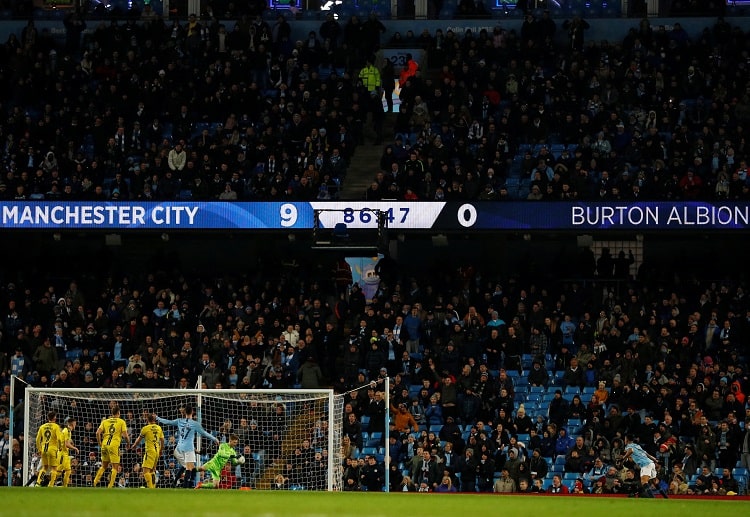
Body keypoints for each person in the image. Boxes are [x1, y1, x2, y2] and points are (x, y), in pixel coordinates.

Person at [157, 406, 220, 488]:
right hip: (188, 448)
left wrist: (158, 418)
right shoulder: (195, 424)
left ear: (185, 412)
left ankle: (176, 482)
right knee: (189, 468)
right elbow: (204, 433)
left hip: (179, 448)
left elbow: (167, 422)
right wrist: (214, 438)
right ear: (192, 412)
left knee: (188, 467)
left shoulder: (179, 421)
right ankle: (185, 487)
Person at [93, 404, 130, 488]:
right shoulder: (121, 422)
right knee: (115, 467)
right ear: (119, 413)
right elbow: (125, 435)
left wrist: (100, 443)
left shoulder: (105, 421)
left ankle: (95, 482)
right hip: (114, 445)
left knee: (104, 466)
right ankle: (110, 486)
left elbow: (97, 433)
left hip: (104, 445)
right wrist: (128, 443)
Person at [620, 434, 668, 498]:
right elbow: (646, 454)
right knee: (654, 482)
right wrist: (656, 460)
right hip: (651, 463)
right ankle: (666, 497)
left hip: (645, 464)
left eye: (625, 439)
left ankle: (652, 498)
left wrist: (622, 458)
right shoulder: (637, 446)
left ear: (627, 440)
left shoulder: (628, 446)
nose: (624, 440)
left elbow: (630, 451)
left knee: (644, 482)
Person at [130, 413, 165, 489]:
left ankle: (150, 487)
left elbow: (138, 440)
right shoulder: (159, 428)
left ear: (147, 420)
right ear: (154, 420)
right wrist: (161, 450)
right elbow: (162, 441)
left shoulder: (145, 428)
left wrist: (134, 446)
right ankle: (153, 487)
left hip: (150, 451)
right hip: (157, 451)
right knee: (152, 471)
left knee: (145, 472)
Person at [35, 410, 64, 487]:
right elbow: (59, 439)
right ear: (55, 418)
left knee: (44, 467)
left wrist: (39, 449)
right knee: (54, 468)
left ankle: (38, 483)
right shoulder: (56, 426)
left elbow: (37, 439)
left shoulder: (42, 426)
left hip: (44, 449)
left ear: (48, 418)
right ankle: (50, 485)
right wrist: (60, 447)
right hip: (52, 449)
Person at [58, 417, 80, 487]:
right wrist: (75, 448)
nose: (75, 425)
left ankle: (65, 486)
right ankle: (49, 484)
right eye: (75, 423)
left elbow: (66, 442)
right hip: (62, 454)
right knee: (58, 471)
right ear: (72, 424)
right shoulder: (66, 431)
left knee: (68, 470)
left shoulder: (68, 431)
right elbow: (66, 444)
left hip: (65, 454)